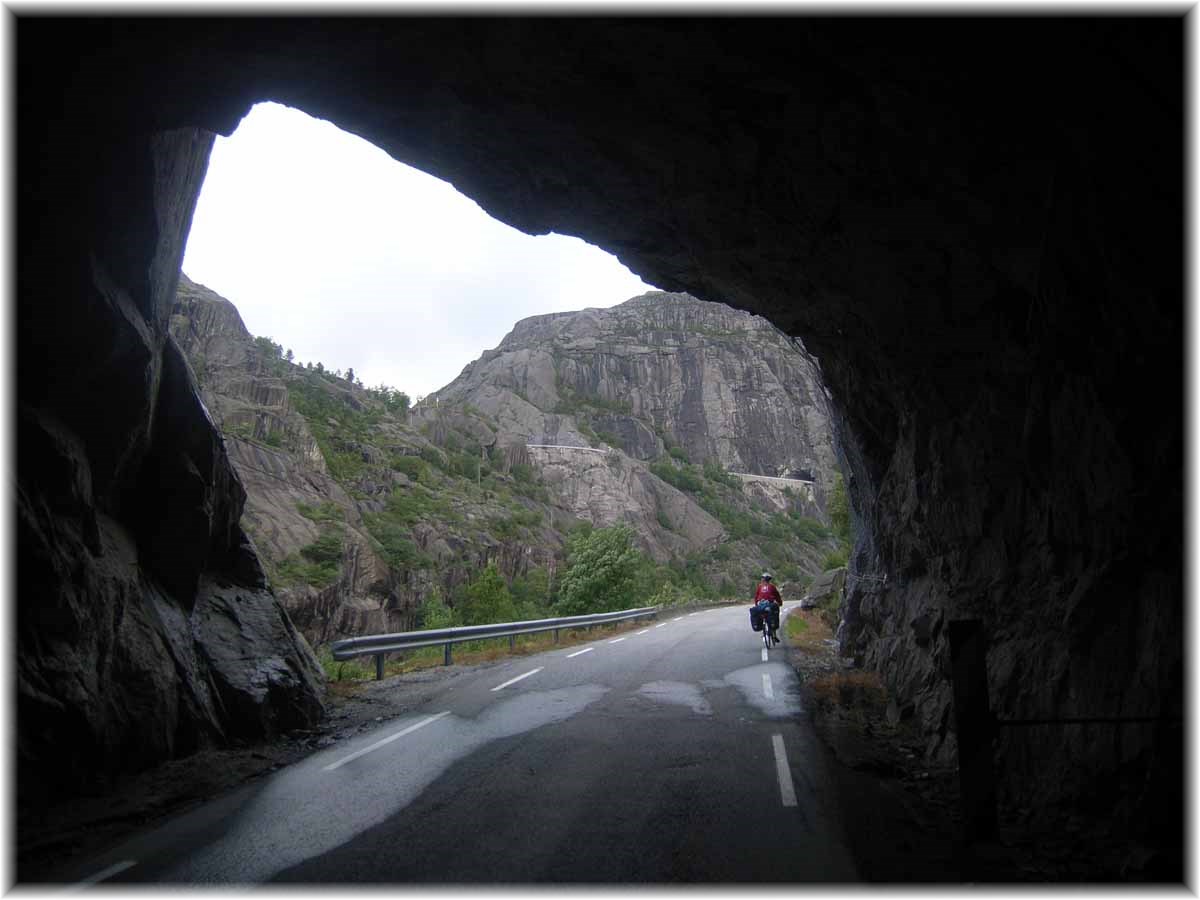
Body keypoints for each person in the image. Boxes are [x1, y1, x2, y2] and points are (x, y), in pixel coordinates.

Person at [753, 572, 782, 641]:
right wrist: (780, 603)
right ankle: (774, 634)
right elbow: (777, 596)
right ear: (769, 580)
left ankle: (763, 629)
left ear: (763, 579)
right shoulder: (772, 586)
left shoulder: (760, 586)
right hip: (769, 605)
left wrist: (756, 604)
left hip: (760, 605)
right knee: (774, 614)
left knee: (761, 614)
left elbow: (756, 596)